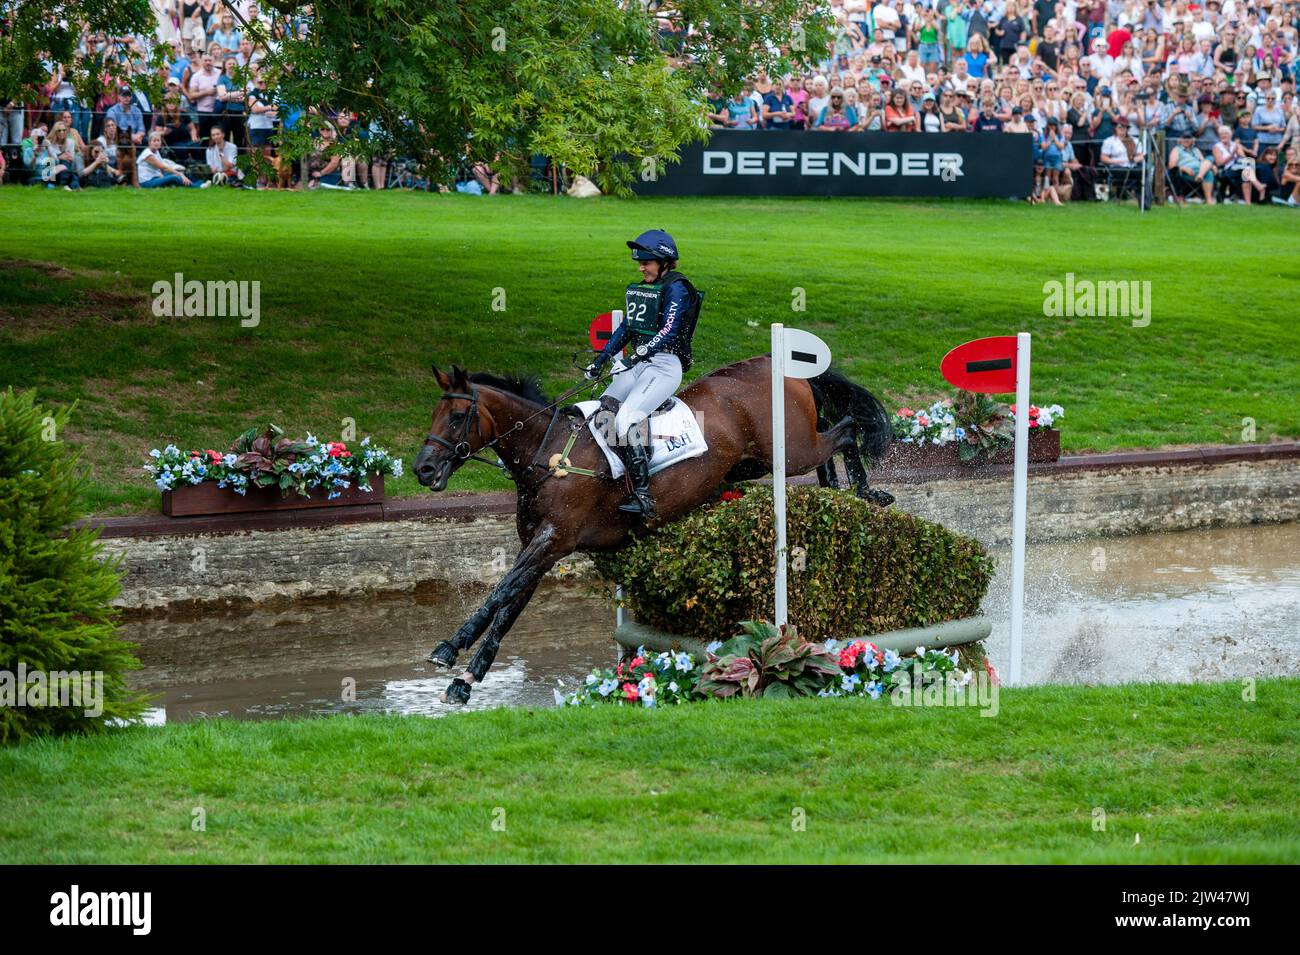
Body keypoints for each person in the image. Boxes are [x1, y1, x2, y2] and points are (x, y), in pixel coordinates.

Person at [584, 231, 703, 519]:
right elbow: (627, 329)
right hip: (640, 364)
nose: (641, 267)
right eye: (640, 262)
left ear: (664, 263)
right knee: (603, 412)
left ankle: (643, 496)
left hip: (664, 366)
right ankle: (617, 472)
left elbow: (670, 330)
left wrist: (639, 353)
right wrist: (600, 360)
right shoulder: (645, 287)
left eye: (646, 262)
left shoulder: (677, 288)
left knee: (626, 419)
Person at [1167, 131, 1216, 204]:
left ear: (1192, 140)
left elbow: (1204, 162)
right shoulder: (1177, 149)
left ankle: (1208, 198)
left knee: (1210, 160)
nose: (1186, 140)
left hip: (1200, 170)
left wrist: (1212, 166)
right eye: (1184, 138)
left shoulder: (1196, 150)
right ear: (1180, 139)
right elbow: (1172, 166)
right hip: (1187, 172)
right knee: (1208, 172)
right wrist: (1183, 168)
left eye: (1189, 138)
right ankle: (1208, 199)